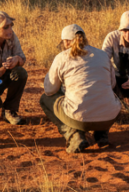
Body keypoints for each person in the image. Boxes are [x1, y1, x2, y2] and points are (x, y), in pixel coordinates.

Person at [40, 24, 122, 153]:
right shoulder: (102, 54)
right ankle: (101, 135)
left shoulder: (62, 57)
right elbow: (112, 85)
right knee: (103, 93)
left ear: (66, 42)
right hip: (109, 117)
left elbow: (49, 90)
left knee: (45, 99)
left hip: (79, 118)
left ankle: (73, 135)